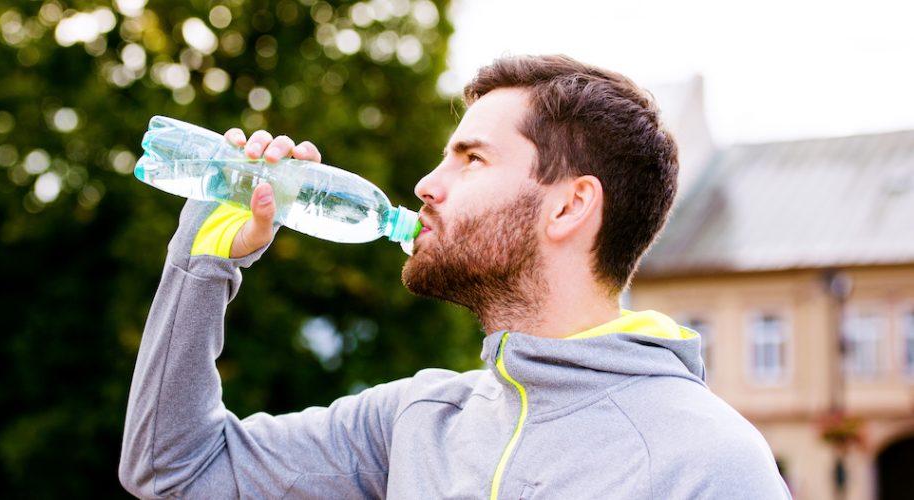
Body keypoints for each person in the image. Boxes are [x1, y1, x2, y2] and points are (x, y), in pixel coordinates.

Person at [119, 54, 791, 499]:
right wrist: (205, 259)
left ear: (570, 205)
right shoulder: (416, 421)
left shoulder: (707, 462)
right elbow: (174, 469)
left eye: (470, 160)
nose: (424, 186)